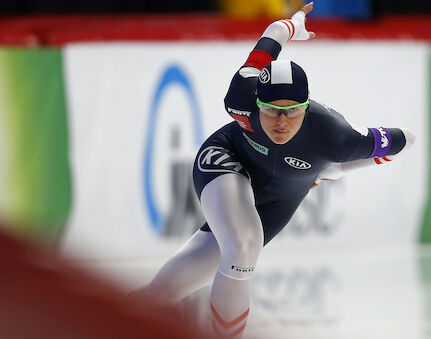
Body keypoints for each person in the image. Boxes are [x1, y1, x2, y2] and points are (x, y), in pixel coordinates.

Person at [132, 2, 416, 338]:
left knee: (161, 295)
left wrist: (337, 170)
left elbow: (406, 140)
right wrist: (295, 23)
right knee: (243, 250)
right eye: (270, 111)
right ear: (256, 104)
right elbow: (274, 34)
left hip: (281, 196)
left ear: (306, 107)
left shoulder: (335, 137)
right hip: (227, 158)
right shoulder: (240, 99)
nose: (281, 123)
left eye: (292, 112)